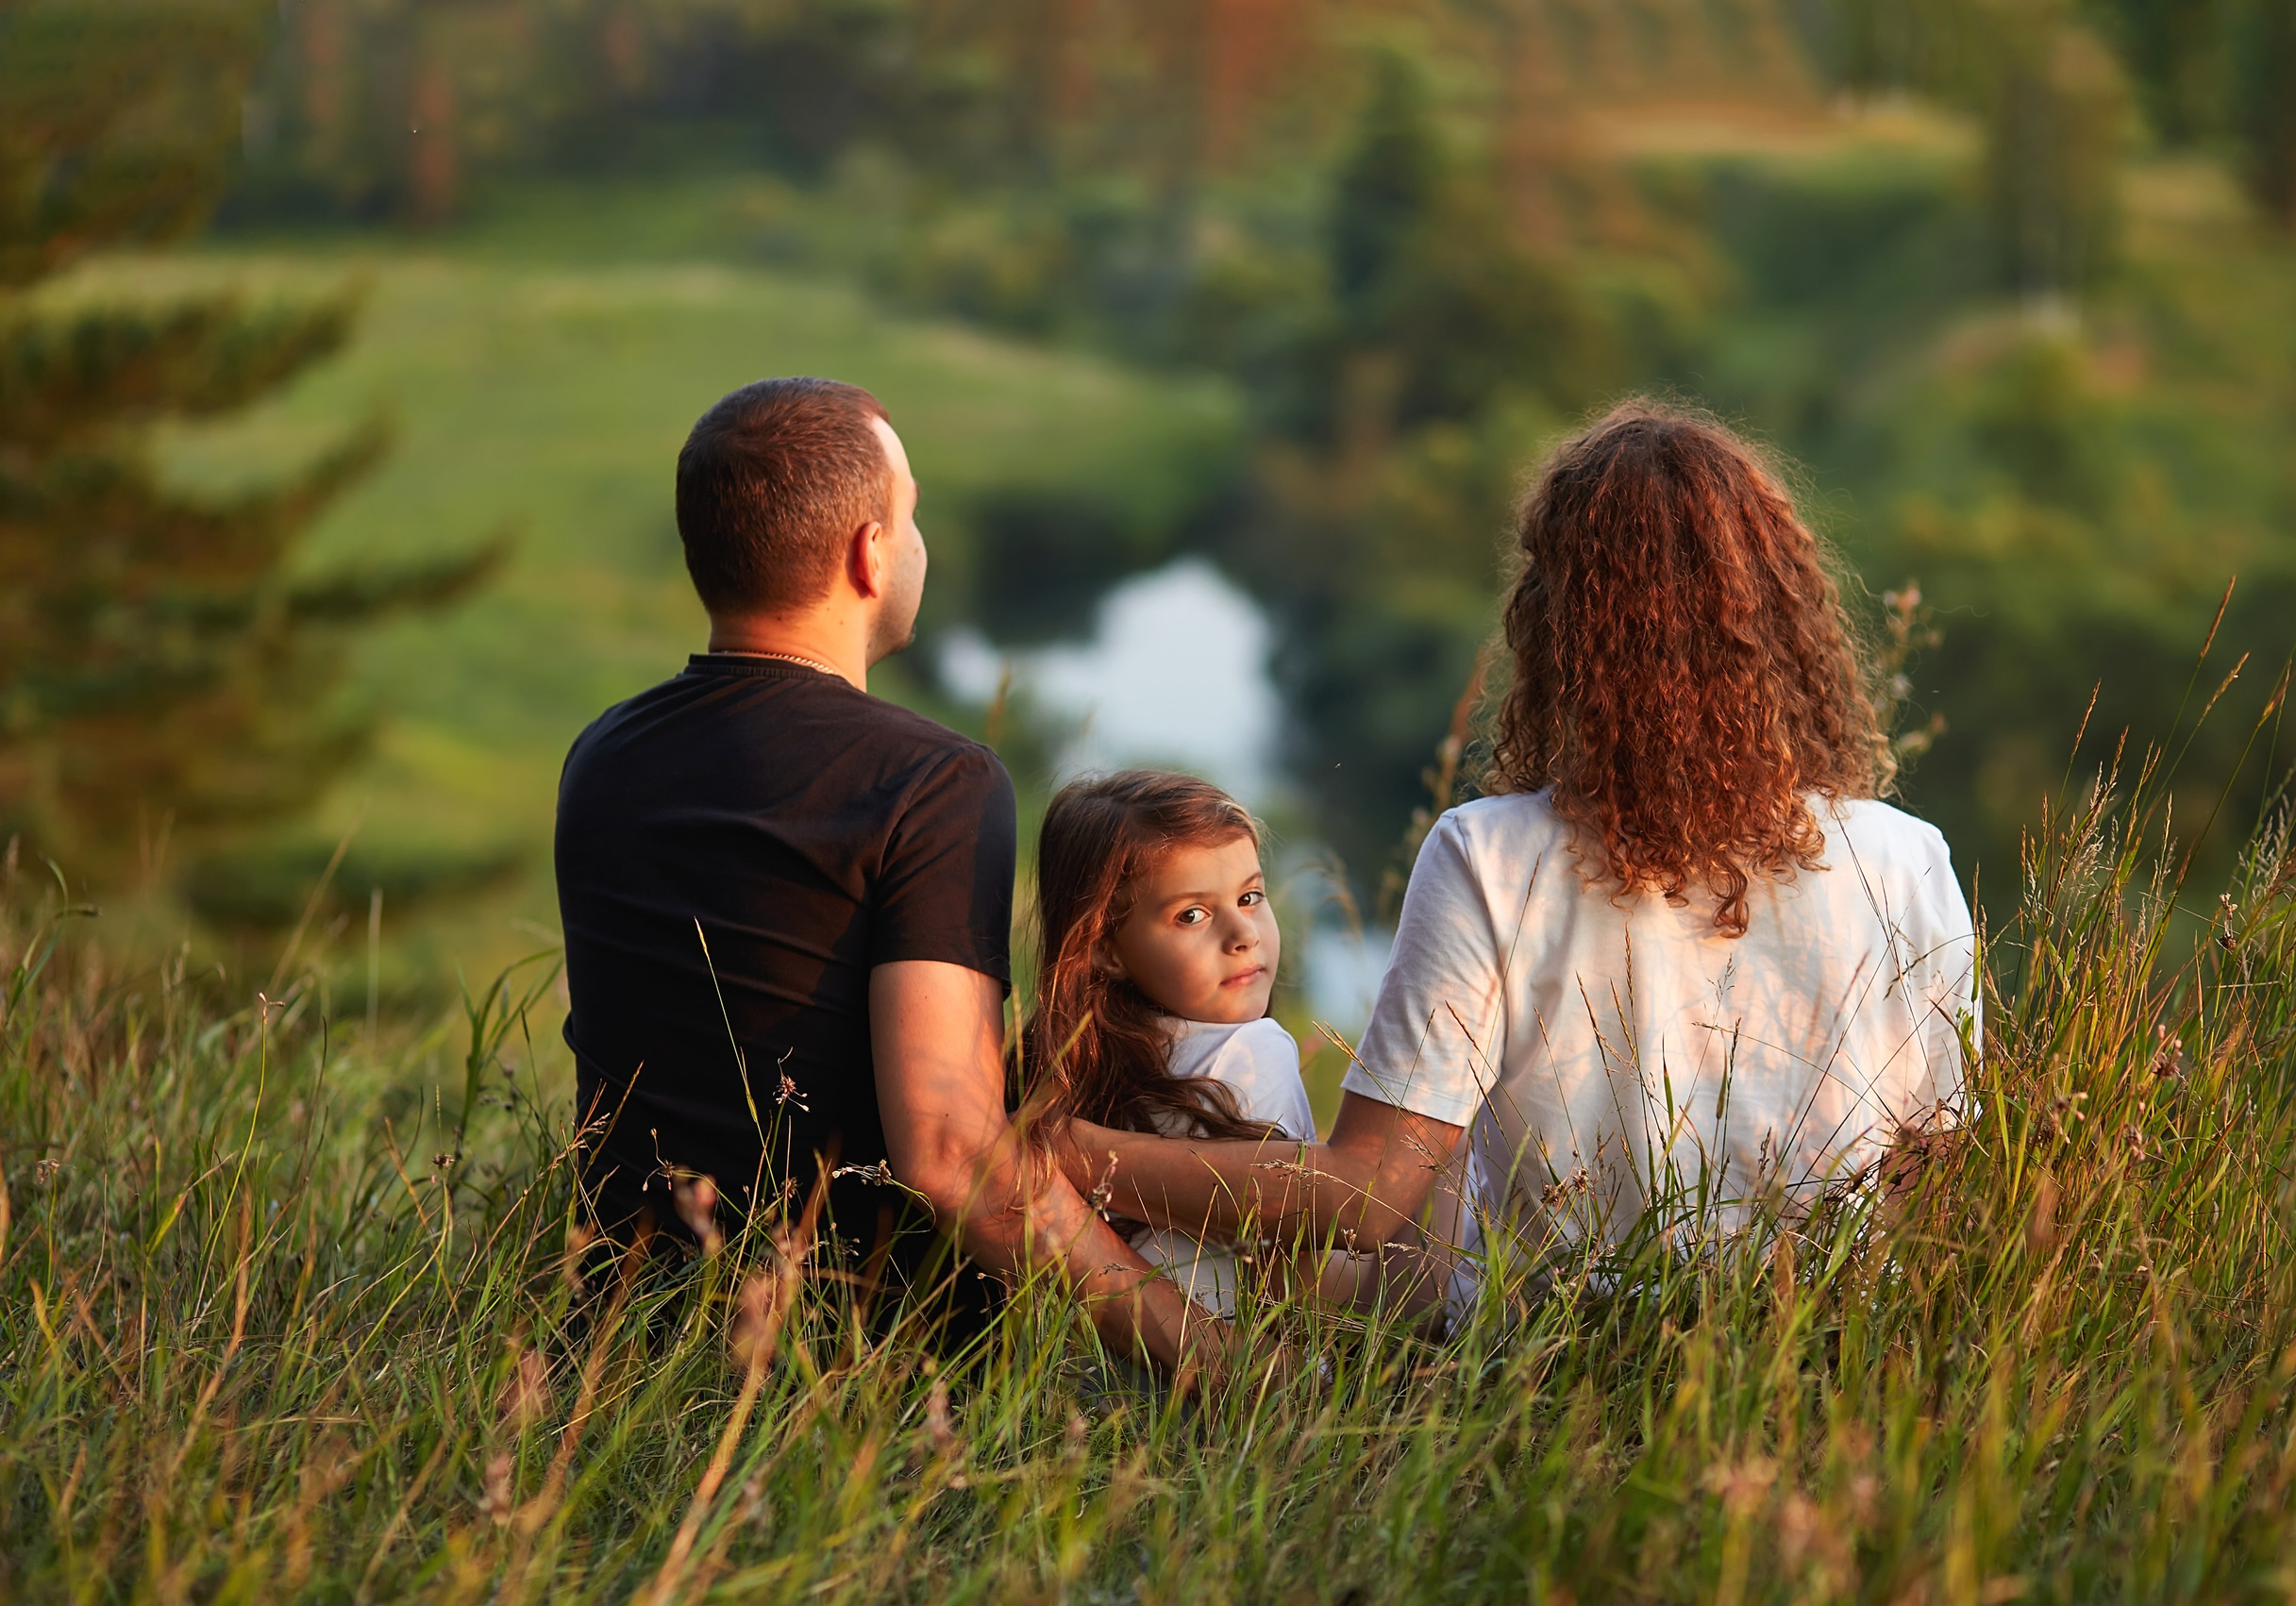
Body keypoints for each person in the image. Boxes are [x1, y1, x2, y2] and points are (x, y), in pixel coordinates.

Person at [1056, 401, 1980, 1315]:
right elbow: (1942, 1204)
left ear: (1559, 629)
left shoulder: (1489, 855)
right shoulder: (1907, 862)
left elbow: (1367, 1198)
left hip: (1556, 1378)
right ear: (1781, 614)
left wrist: (1063, 1154)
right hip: (1834, 1368)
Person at [553, 376, 1223, 1372]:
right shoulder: (933, 784)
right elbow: (952, 1152)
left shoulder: (602, 753)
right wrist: (1228, 1368)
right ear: (869, 553)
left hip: (620, 1339)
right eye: (910, 518)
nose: (920, 545)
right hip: (852, 1365)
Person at [1018, 770, 1334, 1319]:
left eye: (1250, 896)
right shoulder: (1252, 1050)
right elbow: (1297, 1270)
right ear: (1106, 947)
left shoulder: (1064, 1071)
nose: (1244, 934)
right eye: (1192, 914)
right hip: (1231, 1385)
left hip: (1092, 1386)